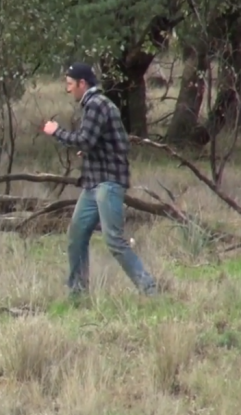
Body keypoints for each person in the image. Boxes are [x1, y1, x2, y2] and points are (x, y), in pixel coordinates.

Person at [42, 62, 157, 298]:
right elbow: (115, 141)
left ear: (83, 84)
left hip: (108, 182)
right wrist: (92, 150)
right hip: (93, 183)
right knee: (76, 234)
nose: (68, 90)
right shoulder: (96, 105)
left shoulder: (96, 105)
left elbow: (84, 139)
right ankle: (77, 293)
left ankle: (149, 289)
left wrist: (56, 132)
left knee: (114, 240)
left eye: (70, 85)